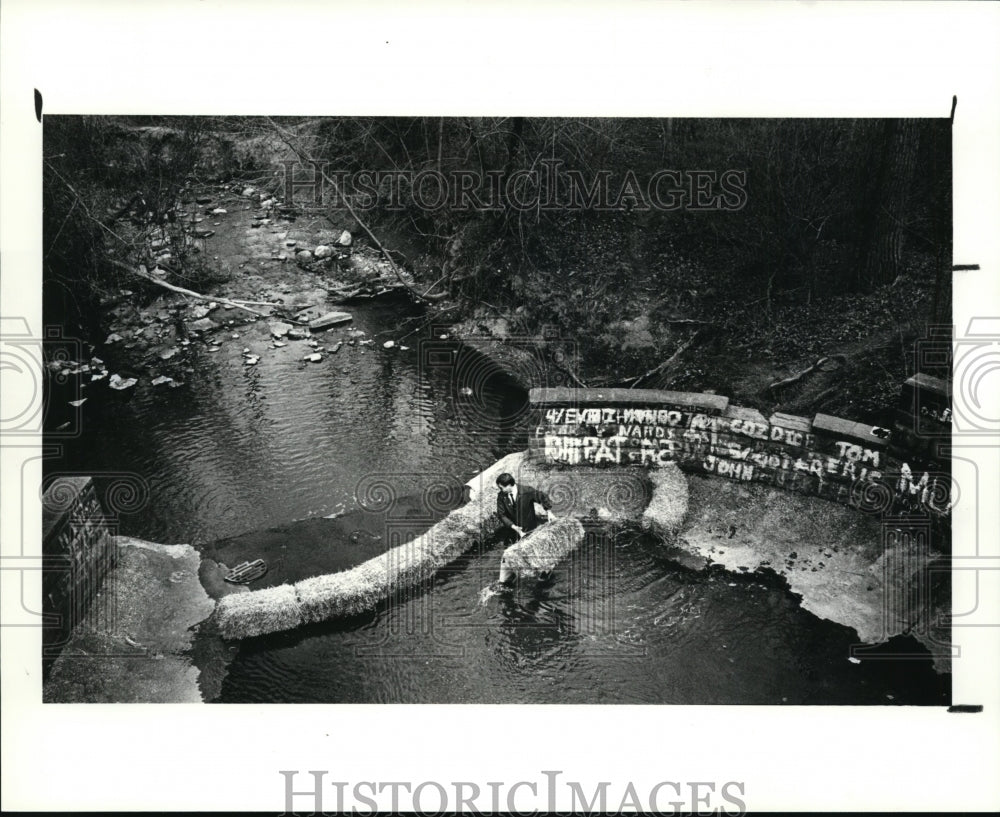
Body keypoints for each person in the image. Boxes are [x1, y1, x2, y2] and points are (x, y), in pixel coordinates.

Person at [495, 473, 553, 545]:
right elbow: (501, 514)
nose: (501, 490)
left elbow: (542, 497)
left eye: (501, 488)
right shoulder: (501, 496)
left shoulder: (527, 491)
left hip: (530, 528)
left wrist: (549, 511)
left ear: (509, 485)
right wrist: (513, 526)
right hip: (513, 530)